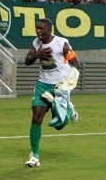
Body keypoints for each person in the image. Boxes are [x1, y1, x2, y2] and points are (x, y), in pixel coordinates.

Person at [24, 18, 81, 168]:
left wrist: (68, 84)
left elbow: (75, 63)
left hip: (59, 87)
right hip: (42, 85)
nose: (38, 31)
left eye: (41, 28)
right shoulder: (36, 43)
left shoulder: (61, 44)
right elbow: (27, 61)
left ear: (49, 29)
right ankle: (34, 156)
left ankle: (68, 109)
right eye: (37, 28)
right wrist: (38, 55)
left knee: (59, 125)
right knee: (36, 117)